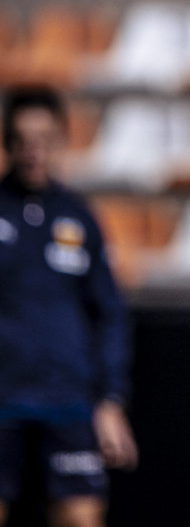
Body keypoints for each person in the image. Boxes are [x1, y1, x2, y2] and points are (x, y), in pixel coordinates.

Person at [0, 87, 137, 527]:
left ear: (61, 141)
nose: (33, 151)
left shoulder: (79, 217)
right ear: (7, 143)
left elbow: (109, 314)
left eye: (44, 139)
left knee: (81, 516)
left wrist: (110, 401)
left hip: (67, 401)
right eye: (22, 139)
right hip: (2, 398)